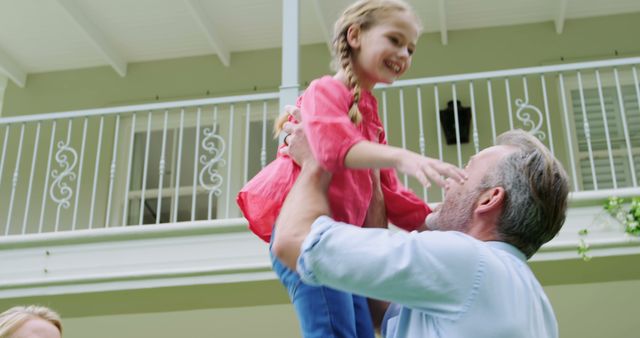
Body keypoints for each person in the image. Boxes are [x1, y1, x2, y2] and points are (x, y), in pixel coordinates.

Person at [237, 1, 465, 337]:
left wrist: (444, 221)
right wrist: (402, 157)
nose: (404, 54)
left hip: (343, 246)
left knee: (360, 331)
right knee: (334, 331)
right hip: (312, 240)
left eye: (411, 48)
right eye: (394, 40)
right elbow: (331, 149)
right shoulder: (325, 91)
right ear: (355, 35)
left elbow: (390, 195)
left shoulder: (370, 114)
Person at [273, 117, 569, 338]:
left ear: (489, 199)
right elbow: (385, 313)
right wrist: (371, 177)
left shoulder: (466, 260)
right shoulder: (537, 306)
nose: (449, 182)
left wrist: (313, 162)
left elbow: (296, 242)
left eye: (465, 171)